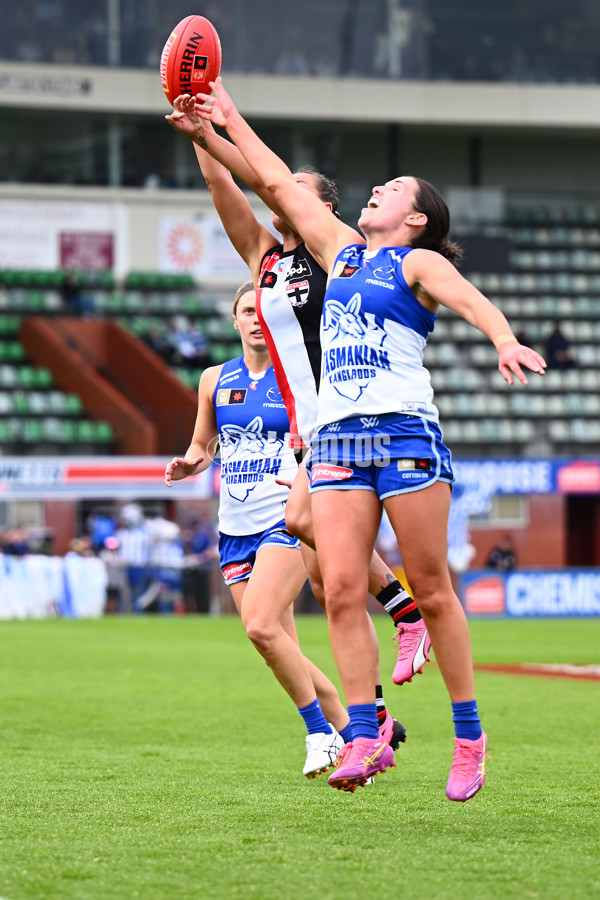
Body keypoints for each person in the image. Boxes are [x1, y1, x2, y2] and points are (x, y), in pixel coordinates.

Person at [192, 77, 547, 798]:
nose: (377, 190)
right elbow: (267, 179)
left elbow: (473, 301)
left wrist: (504, 338)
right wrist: (219, 118)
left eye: (392, 188)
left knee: (436, 591)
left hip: (406, 433)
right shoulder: (340, 253)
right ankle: (360, 735)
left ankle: (469, 736)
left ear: (415, 219)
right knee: (344, 590)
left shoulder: (418, 263)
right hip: (338, 442)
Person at [166, 94, 432, 694]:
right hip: (303, 427)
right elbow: (225, 189)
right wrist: (198, 132)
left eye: (295, 187)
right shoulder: (265, 260)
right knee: (322, 579)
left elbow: (265, 178)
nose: (279, 191)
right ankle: (383, 684)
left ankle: (402, 622)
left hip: (337, 416)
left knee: (308, 538)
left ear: (325, 207)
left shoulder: (332, 253)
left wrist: (226, 132)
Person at [165, 282, 404, 777]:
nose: (255, 318)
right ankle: (361, 734)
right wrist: (190, 464)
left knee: (259, 624)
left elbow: (327, 436)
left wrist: (308, 473)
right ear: (234, 321)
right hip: (233, 527)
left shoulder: (300, 375)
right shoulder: (214, 378)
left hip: (285, 515)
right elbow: (203, 443)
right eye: (245, 311)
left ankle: (320, 733)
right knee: (276, 644)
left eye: (261, 310)